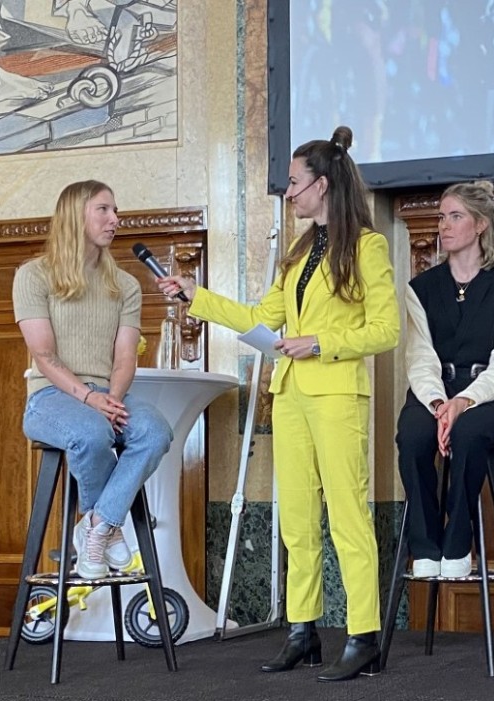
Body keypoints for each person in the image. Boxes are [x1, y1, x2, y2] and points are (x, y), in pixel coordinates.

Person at [157, 126, 400, 683]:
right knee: (296, 520)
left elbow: (385, 330)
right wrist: (195, 297)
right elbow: (258, 319)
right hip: (289, 396)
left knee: (348, 517)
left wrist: (321, 342)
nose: (288, 194)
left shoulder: (367, 246)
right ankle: (303, 631)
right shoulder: (297, 256)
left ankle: (364, 636)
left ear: (323, 184)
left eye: (294, 183)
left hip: (338, 393)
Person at [13, 180, 172, 579]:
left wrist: (112, 401)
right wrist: (91, 400)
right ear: (75, 215)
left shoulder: (126, 285)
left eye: (115, 211)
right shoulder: (33, 276)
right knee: (89, 433)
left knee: (154, 431)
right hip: (50, 397)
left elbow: (123, 358)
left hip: (105, 394)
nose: (115, 219)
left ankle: (98, 524)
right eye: (103, 209)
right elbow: (44, 355)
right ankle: (108, 527)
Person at [395, 180, 494, 580]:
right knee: (414, 436)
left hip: (488, 397)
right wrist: (439, 404)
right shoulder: (421, 289)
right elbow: (419, 357)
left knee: (470, 432)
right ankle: (425, 545)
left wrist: (463, 402)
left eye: (455, 216)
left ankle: (458, 540)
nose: (444, 225)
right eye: (441, 216)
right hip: (433, 393)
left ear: (481, 224)